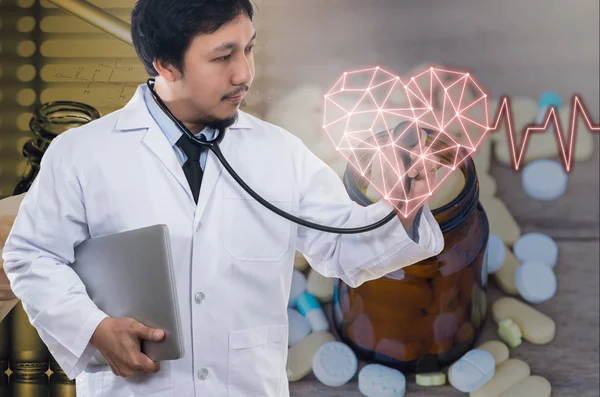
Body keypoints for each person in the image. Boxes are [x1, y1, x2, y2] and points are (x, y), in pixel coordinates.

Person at [2, 0, 444, 396]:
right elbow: (30, 256)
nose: (244, 74)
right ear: (165, 64)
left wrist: (404, 203)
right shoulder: (82, 154)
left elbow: (343, 248)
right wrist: (93, 330)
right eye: (222, 56)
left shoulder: (280, 153)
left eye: (248, 49)